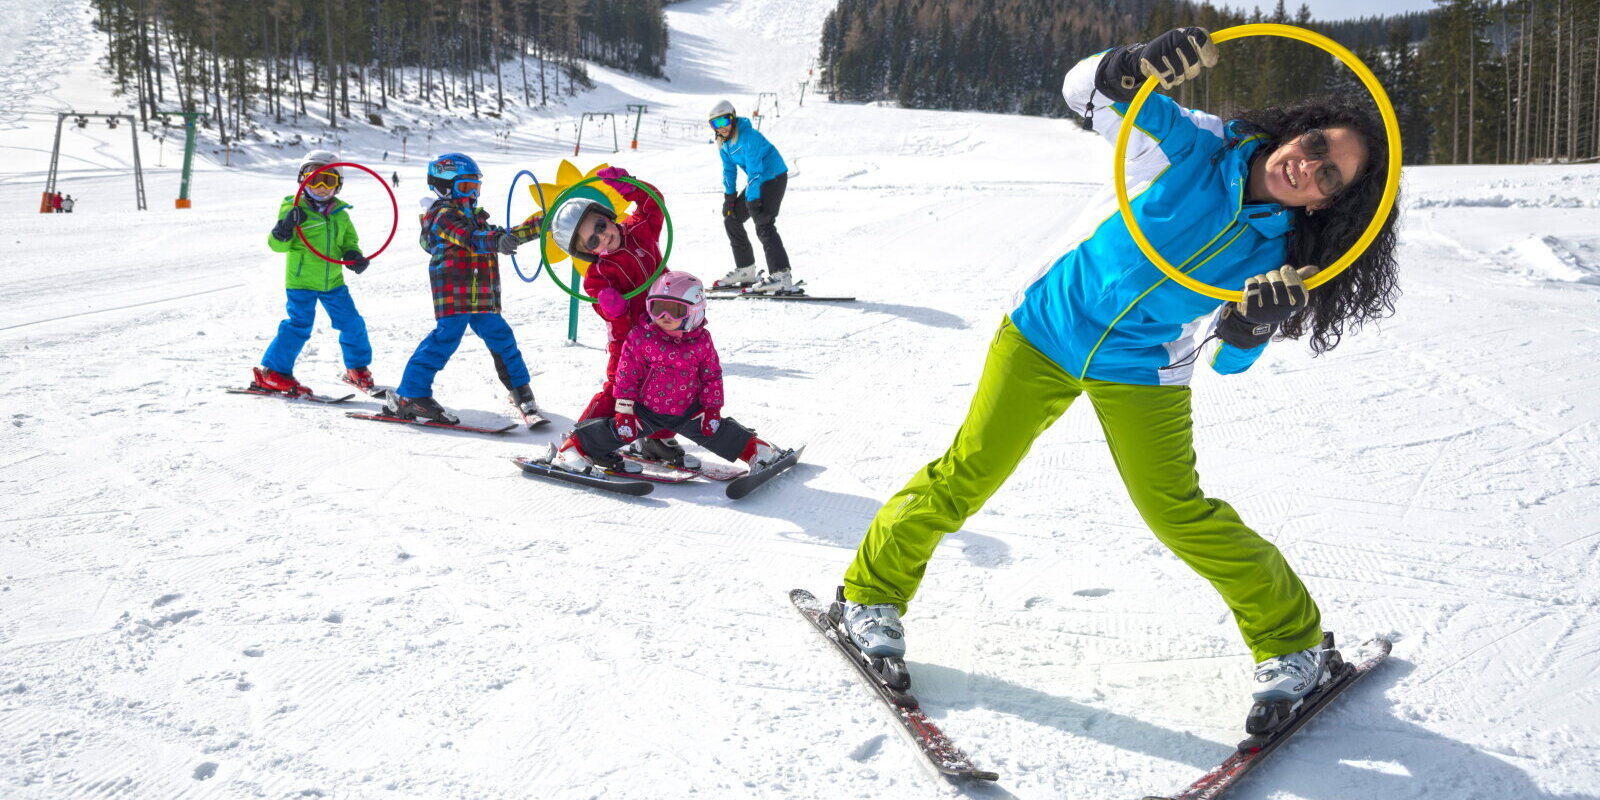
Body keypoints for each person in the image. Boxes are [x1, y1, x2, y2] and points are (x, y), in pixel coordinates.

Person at [836, 27, 1401, 715]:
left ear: (1325, 204)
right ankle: (868, 598)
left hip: (1141, 367)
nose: (1308, 167)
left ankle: (1294, 641)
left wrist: (1253, 325)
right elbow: (1084, 92)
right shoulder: (1199, 143)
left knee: (1177, 513)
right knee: (967, 472)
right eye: (1315, 147)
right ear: (1298, 133)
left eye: (1329, 176)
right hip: (1044, 328)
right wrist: (1132, 66)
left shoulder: (1284, 252)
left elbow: (1229, 359)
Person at [548, 270, 788, 476]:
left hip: (688, 409)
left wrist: (712, 409)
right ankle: (571, 448)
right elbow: (627, 375)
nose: (664, 317)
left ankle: (759, 451)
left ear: (695, 310)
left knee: (717, 431)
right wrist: (624, 410)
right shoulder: (642, 337)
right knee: (616, 430)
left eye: (674, 310)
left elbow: (711, 376)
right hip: (646, 409)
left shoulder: (701, 341)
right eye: (657, 308)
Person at [544, 166, 695, 468]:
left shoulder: (639, 229)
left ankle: (655, 439)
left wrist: (633, 187)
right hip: (629, 340)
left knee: (668, 384)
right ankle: (580, 443)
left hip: (667, 328)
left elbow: (654, 204)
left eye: (600, 226)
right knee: (619, 390)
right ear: (586, 252)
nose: (603, 238)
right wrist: (613, 308)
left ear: (608, 216)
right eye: (592, 242)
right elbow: (608, 315)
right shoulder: (598, 274)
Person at [387, 152, 540, 424]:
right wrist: (496, 240)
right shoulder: (440, 215)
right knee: (445, 338)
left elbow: (502, 235)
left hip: (483, 295)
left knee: (503, 338)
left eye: (476, 187)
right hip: (454, 294)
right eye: (465, 187)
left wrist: (539, 225)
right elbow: (469, 238)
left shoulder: (477, 218)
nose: (472, 194)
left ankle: (520, 390)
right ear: (444, 186)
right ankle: (411, 395)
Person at [254, 150, 378, 396]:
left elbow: (349, 242)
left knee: (352, 323)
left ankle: (357, 368)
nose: (321, 187)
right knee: (298, 326)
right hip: (301, 281)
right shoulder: (293, 209)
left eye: (328, 181)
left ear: (338, 185)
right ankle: (273, 372)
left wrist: (353, 255)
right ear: (302, 180)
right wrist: (285, 226)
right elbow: (277, 245)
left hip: (333, 282)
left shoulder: (340, 215)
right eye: (314, 180)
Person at [707, 100, 793, 293]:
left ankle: (781, 275)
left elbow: (755, 170)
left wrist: (752, 202)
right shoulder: (724, 144)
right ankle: (746, 269)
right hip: (758, 181)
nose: (722, 128)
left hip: (773, 177)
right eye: (715, 124)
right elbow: (729, 171)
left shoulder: (749, 137)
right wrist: (729, 199)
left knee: (763, 222)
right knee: (732, 219)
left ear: (733, 118)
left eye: (724, 121)